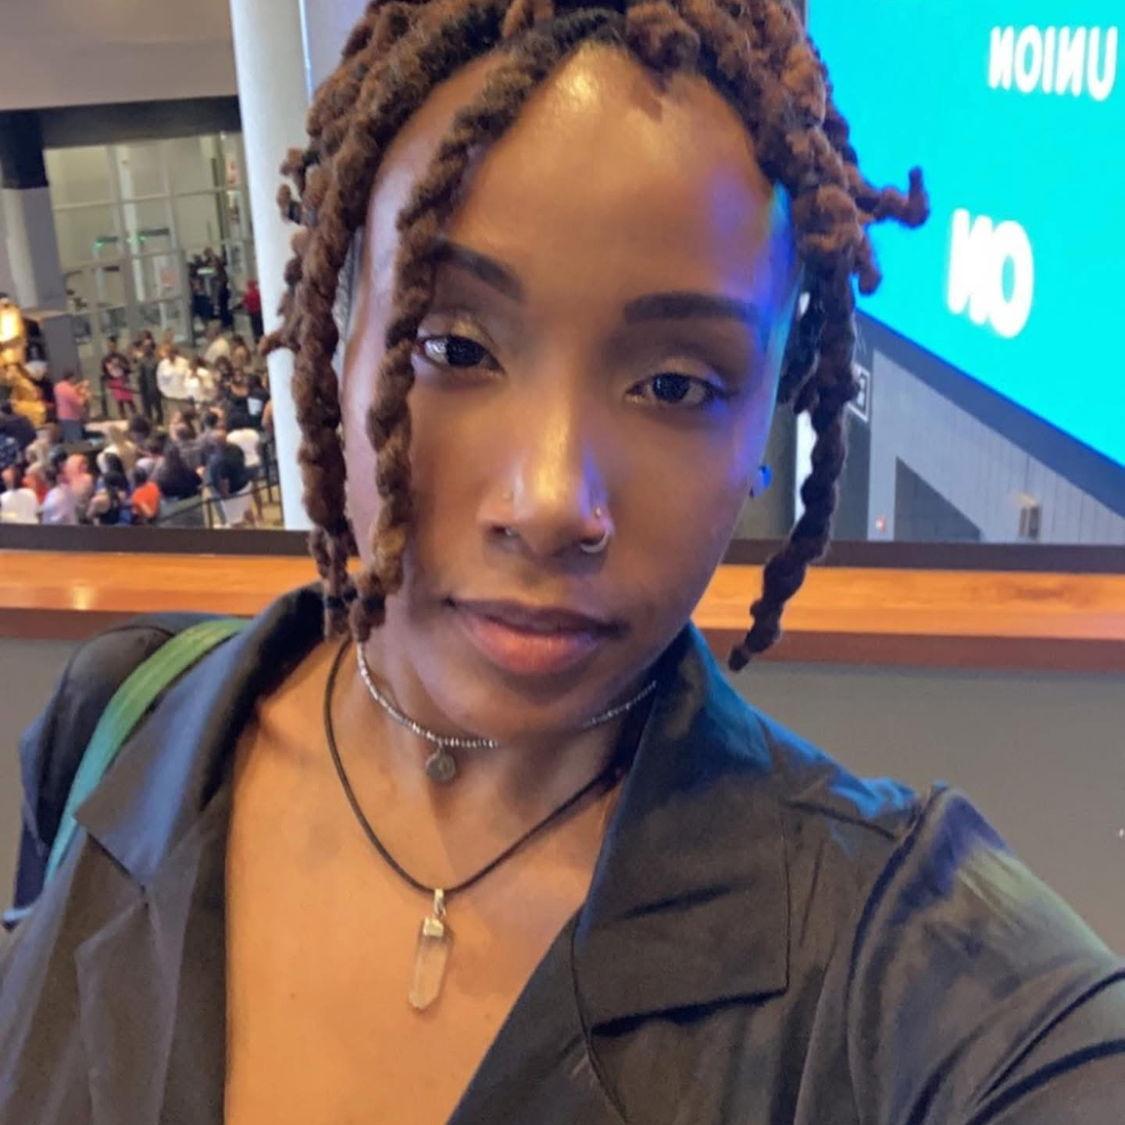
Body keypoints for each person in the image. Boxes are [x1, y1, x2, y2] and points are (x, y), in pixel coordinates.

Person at [2, 6, 1122, 1124]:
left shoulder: (900, 964)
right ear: (336, 346)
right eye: (454, 346)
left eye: (675, 385)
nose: (549, 504)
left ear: (765, 424)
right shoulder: (122, 724)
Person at [52, 370, 89, 444]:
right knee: (76, 441)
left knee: (67, 439)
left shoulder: (58, 387)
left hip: (62, 417)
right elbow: (79, 403)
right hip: (71, 418)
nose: (75, 381)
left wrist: (80, 385)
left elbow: (70, 391)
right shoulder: (69, 390)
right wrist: (85, 396)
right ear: (71, 378)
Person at [156, 344, 191, 416]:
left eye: (171, 352)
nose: (169, 355)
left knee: (187, 417)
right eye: (168, 353)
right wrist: (165, 392)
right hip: (170, 397)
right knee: (174, 418)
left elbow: (189, 378)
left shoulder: (184, 362)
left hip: (183, 397)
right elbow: (160, 381)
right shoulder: (162, 364)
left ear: (175, 353)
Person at [135, 337, 163, 424]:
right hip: (144, 389)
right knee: (147, 410)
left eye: (147, 346)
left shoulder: (156, 360)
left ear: (151, 347)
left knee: (158, 409)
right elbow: (139, 374)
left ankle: (160, 423)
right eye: (144, 346)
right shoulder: (141, 360)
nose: (145, 348)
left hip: (155, 388)